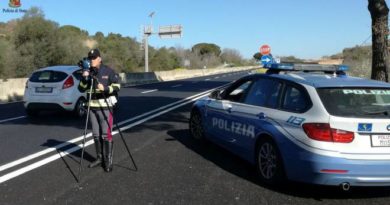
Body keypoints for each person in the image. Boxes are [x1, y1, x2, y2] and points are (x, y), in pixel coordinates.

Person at [78, 49, 120, 172]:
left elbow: (118, 86)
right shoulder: (88, 72)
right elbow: (81, 88)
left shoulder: (108, 71)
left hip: (105, 107)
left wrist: (106, 88)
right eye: (90, 58)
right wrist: (85, 79)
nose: (91, 60)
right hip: (92, 108)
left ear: (99, 59)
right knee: (96, 135)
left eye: (94, 58)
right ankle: (99, 158)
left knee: (106, 135)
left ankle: (108, 161)